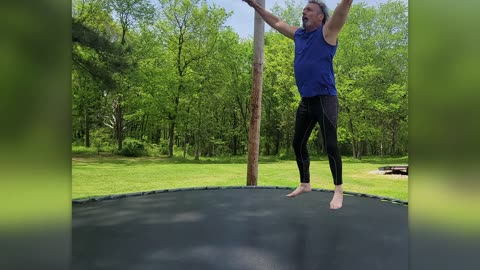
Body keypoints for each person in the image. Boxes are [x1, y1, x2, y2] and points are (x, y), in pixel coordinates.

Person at [242, 0, 353, 209]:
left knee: (330, 144)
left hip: (325, 98)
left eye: (309, 10)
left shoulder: (327, 33)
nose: (304, 12)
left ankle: (338, 190)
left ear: (320, 17)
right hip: (306, 100)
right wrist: (254, 5)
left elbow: (341, 12)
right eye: (304, 10)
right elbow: (276, 22)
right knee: (297, 143)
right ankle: (305, 183)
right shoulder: (299, 35)